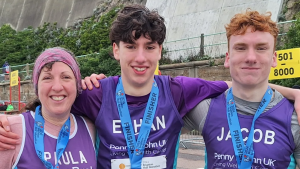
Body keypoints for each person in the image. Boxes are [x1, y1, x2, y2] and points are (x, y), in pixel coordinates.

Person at [0, 5, 300, 169]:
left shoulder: (179, 90)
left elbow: (235, 83)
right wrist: (6, 122)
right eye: (130, 46)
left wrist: (292, 93)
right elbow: (52, 101)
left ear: (160, 51)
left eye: (150, 46)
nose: (140, 57)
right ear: (116, 50)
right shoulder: (93, 94)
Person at [183, 10, 300, 168]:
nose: (251, 58)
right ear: (228, 58)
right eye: (241, 48)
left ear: (274, 58)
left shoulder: (295, 117)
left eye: (261, 48)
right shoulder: (205, 109)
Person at [0, 47, 97, 169]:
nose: (57, 87)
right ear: (36, 87)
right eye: (47, 78)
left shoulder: (91, 128)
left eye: (66, 77)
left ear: (77, 85)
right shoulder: (10, 130)